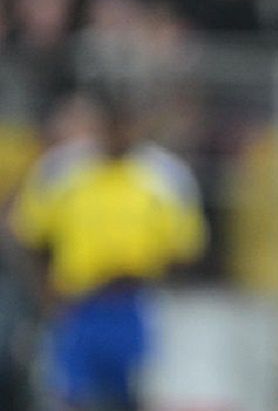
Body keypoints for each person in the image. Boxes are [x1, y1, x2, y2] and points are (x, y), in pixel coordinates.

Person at [7, 90, 207, 409]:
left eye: (126, 124)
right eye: (111, 124)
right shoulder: (63, 170)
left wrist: (154, 280)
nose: (119, 132)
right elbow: (28, 235)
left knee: (132, 397)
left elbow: (187, 249)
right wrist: (43, 289)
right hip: (78, 304)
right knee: (72, 398)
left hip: (135, 303)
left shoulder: (164, 176)